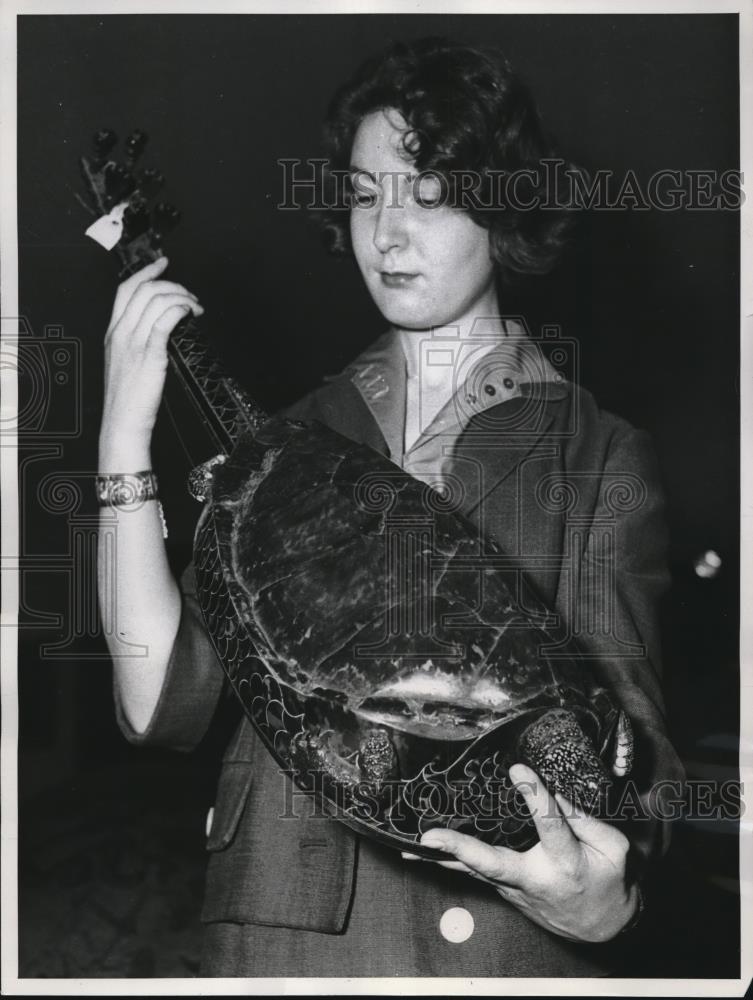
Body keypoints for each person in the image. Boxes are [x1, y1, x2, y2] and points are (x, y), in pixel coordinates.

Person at [97, 37, 685, 977]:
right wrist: (123, 434)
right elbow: (157, 702)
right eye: (367, 194)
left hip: (490, 957)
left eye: (430, 191)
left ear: (503, 206)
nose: (387, 233)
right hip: (278, 940)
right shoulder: (288, 440)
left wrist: (602, 905)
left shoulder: (597, 453)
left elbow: (635, 751)